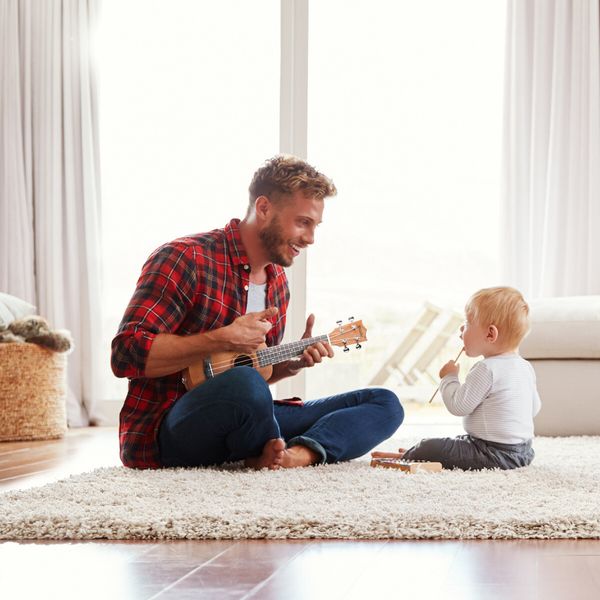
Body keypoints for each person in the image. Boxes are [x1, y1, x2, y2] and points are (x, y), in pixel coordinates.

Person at [111, 155, 403, 470]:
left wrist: (289, 365)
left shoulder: (278, 284)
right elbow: (125, 355)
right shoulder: (185, 258)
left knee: (384, 403)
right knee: (245, 384)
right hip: (169, 426)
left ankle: (296, 455)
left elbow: (253, 370)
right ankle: (267, 446)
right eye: (302, 222)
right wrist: (221, 338)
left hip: (241, 420)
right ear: (263, 208)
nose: (310, 238)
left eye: (315, 226)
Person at [389, 286, 541, 470]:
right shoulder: (525, 366)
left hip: (492, 454)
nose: (461, 328)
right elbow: (534, 408)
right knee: (457, 443)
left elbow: (458, 406)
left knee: (430, 445)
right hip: (524, 452)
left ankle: (415, 454)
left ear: (490, 334)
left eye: (467, 323)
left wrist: (449, 378)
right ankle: (419, 453)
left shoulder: (486, 368)